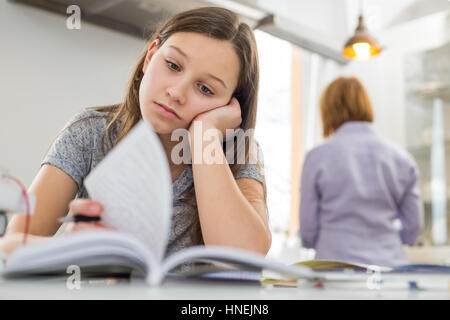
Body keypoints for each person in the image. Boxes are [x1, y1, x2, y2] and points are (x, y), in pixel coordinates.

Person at [1, 7, 271, 260]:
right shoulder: (91, 133)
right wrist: (72, 246)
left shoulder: (236, 152)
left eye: (205, 89)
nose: (176, 93)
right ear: (151, 56)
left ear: (230, 106)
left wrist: (204, 137)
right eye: (173, 66)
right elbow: (10, 247)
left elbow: (242, 259)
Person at [299, 76, 423, 267]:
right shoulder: (402, 159)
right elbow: (413, 228)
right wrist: (384, 243)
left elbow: (308, 230)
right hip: (389, 268)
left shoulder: (317, 157)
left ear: (328, 110)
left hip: (333, 268)